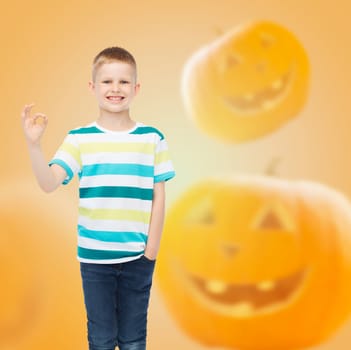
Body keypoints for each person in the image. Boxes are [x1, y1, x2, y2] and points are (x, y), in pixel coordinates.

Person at [21, 46, 175, 350]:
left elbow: (159, 196)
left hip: (138, 258)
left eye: (123, 81)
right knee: (101, 340)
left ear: (136, 88)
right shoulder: (79, 139)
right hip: (94, 260)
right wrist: (34, 146)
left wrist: (151, 250)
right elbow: (49, 183)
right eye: (107, 81)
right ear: (93, 87)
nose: (115, 89)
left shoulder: (152, 138)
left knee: (133, 340)